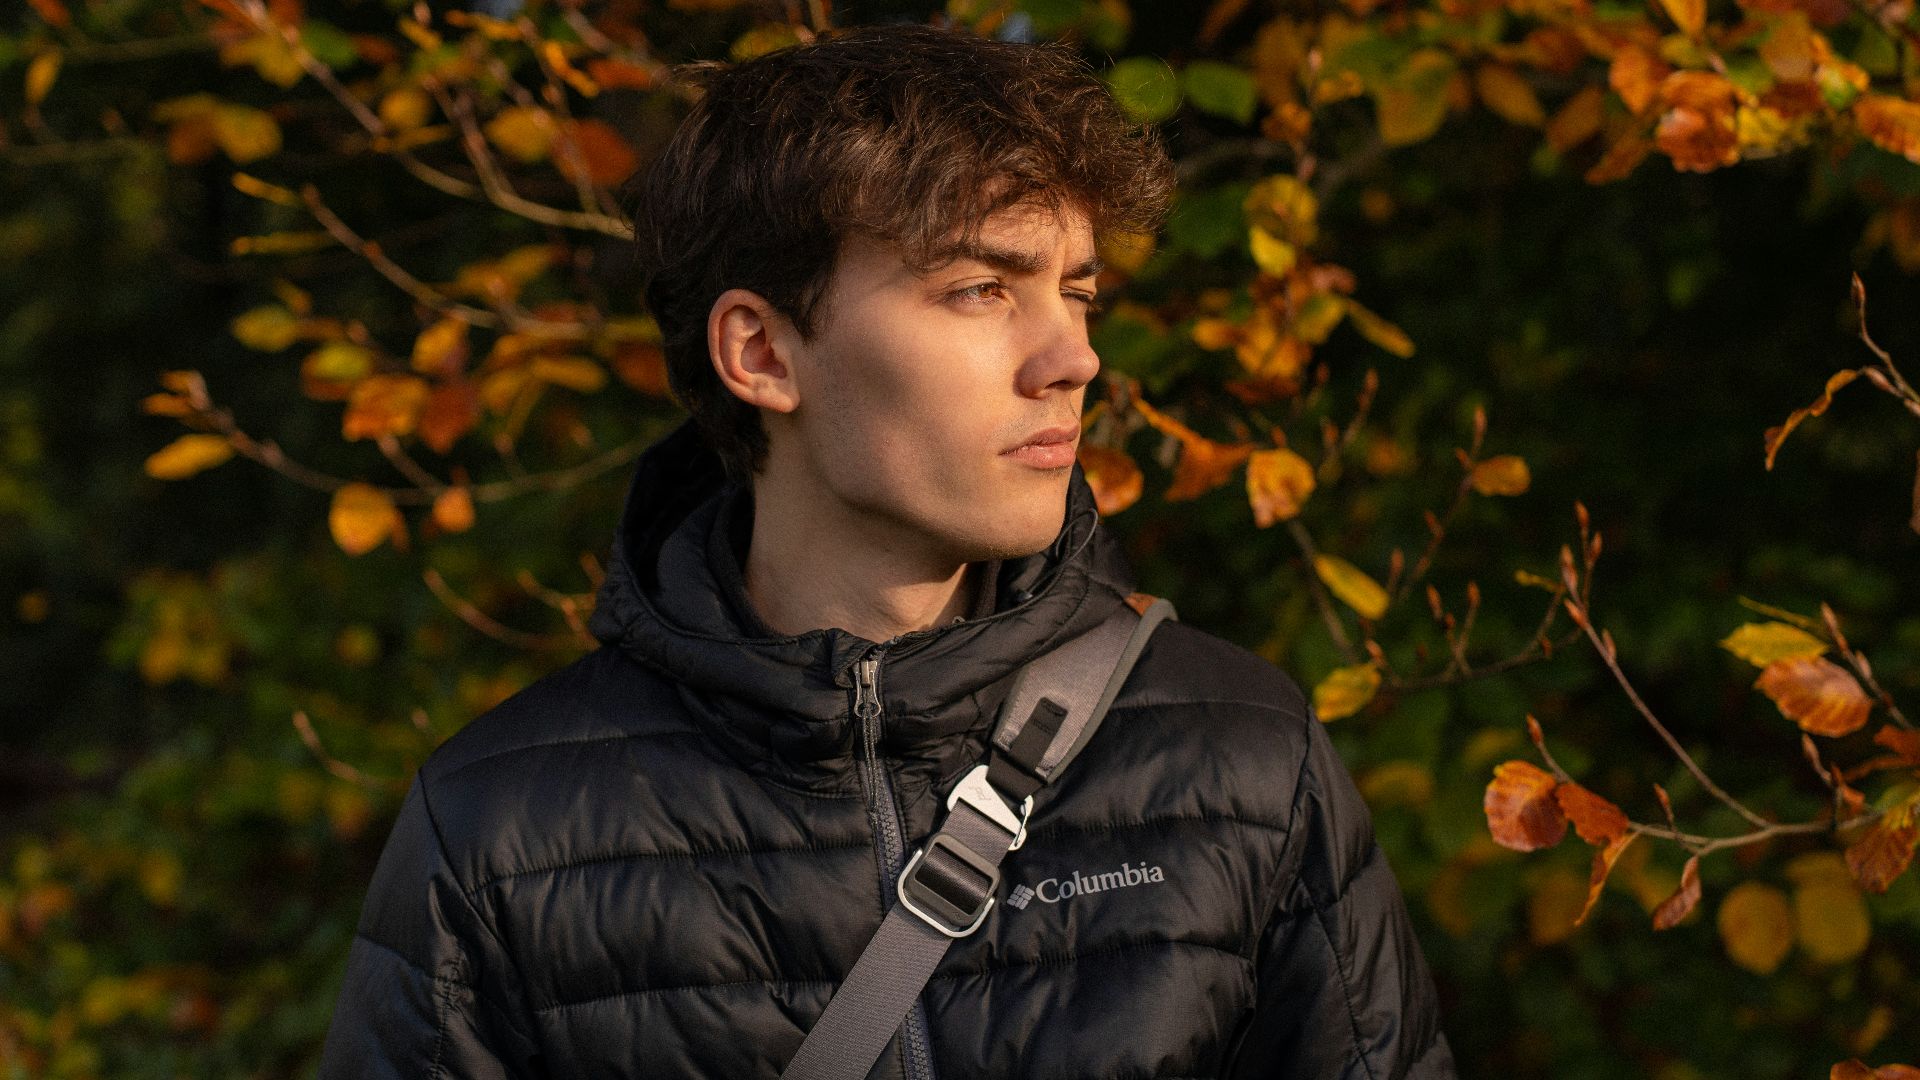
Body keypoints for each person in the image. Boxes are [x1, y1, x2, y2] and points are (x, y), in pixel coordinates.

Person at [317, 21, 1456, 1080]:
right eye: (978, 289)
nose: (1073, 358)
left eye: (1078, 292)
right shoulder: (498, 834)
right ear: (761, 354)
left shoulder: (1243, 762)